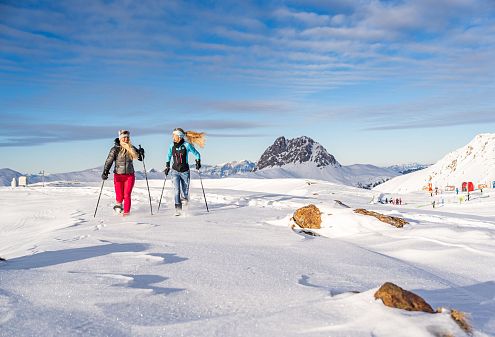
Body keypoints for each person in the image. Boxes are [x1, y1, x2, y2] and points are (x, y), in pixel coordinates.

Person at [102, 130, 144, 216]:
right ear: (120, 138)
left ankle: (126, 214)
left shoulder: (132, 148)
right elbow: (109, 161)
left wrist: (142, 153)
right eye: (124, 137)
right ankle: (118, 207)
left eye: (127, 137)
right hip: (118, 176)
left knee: (127, 195)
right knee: (120, 196)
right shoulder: (115, 149)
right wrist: (105, 171)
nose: (126, 139)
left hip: (129, 175)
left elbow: (140, 158)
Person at [164, 128, 205, 215]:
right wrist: (167, 166)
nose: (173, 137)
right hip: (174, 171)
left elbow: (197, 154)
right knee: (177, 190)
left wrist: (198, 162)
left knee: (185, 192)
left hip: (185, 172)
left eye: (174, 135)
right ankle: (178, 210)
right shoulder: (171, 145)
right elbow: (168, 156)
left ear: (179, 136)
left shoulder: (187, 145)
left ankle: (185, 199)